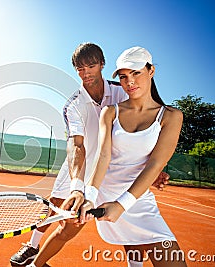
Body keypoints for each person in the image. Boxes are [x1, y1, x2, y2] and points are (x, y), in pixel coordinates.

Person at [10, 43, 169, 266]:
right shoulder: (73, 104)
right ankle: (33, 246)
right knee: (57, 206)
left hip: (113, 169)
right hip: (80, 166)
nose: (86, 73)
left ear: (102, 65)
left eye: (91, 66)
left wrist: (156, 167)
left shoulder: (122, 91)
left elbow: (143, 128)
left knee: (127, 219)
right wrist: (77, 185)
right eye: (80, 69)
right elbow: (76, 146)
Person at [77, 46, 186, 266]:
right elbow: (103, 156)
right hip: (105, 193)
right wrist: (89, 196)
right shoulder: (110, 112)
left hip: (136, 197)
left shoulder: (171, 116)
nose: (130, 82)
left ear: (151, 71)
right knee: (132, 245)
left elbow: (155, 164)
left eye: (136, 73)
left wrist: (122, 204)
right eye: (124, 76)